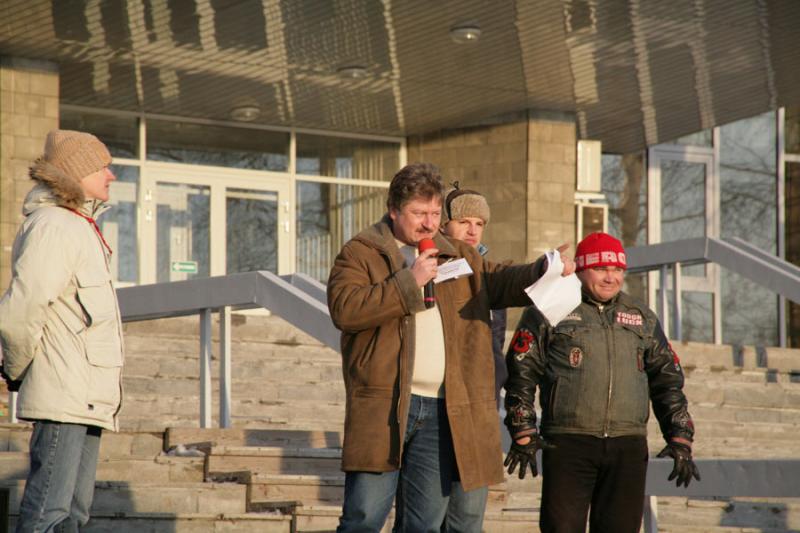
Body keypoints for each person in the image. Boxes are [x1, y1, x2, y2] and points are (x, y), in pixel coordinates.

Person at [327, 162, 574, 532]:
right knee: (363, 518)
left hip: (443, 409)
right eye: (418, 213)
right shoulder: (362, 252)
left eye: (434, 213)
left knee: (424, 524)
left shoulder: (459, 254)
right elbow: (345, 310)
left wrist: (542, 269)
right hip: (384, 406)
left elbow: (501, 280)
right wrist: (408, 282)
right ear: (393, 210)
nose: (428, 223)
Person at [503, 231, 700, 533]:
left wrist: (680, 436)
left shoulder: (642, 317)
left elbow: (668, 380)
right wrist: (523, 428)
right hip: (568, 443)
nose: (611, 277)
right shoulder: (550, 308)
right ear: (581, 270)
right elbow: (521, 371)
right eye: (601, 269)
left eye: (617, 269)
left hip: (627, 446)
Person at [0, 130, 124, 532]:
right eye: (102, 167)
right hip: (63, 391)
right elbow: (22, 309)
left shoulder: (80, 227)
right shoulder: (55, 226)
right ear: (76, 172)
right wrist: (18, 368)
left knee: (73, 515)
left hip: (85, 395)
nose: (111, 176)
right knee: (47, 515)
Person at [439, 184, 507, 406]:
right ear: (443, 226)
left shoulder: (490, 273)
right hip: (442, 391)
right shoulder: (429, 268)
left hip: (485, 391)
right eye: (463, 222)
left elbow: (496, 338)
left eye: (479, 224)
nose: (472, 231)